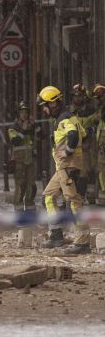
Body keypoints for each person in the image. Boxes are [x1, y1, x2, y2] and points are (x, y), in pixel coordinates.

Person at [37, 86, 90, 254]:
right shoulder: (69, 116)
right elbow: (85, 134)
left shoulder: (63, 119)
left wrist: (67, 151)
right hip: (63, 167)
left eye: (44, 106)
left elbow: (74, 135)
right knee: (49, 197)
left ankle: (83, 242)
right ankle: (56, 235)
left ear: (52, 104)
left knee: (74, 201)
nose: (44, 110)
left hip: (68, 166)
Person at [68, 84, 97, 204]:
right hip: (71, 148)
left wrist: (90, 130)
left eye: (80, 96)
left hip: (85, 147)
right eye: (75, 96)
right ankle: (72, 197)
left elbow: (96, 124)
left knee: (84, 172)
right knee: (70, 173)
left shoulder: (91, 111)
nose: (78, 99)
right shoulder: (68, 111)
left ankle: (83, 196)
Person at [7, 101, 36, 214]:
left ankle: (30, 211)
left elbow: (39, 136)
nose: (24, 115)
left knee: (31, 186)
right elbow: (15, 141)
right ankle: (19, 212)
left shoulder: (30, 126)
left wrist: (34, 126)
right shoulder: (13, 127)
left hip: (30, 160)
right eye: (22, 112)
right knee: (20, 185)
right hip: (19, 161)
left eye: (26, 112)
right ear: (18, 114)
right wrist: (23, 130)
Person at [93, 84, 105, 206]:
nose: (99, 100)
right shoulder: (101, 108)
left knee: (102, 169)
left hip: (103, 144)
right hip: (101, 144)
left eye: (100, 97)